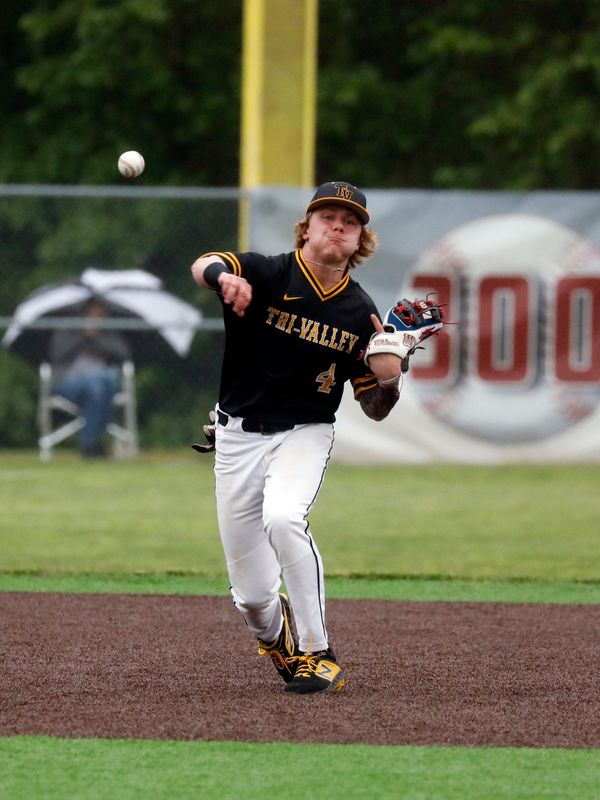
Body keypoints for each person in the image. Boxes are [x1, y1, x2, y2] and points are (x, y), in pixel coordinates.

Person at [191, 181, 409, 694]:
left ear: (360, 241)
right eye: (328, 216)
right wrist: (226, 279)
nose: (338, 226)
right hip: (238, 437)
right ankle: (281, 635)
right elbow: (203, 262)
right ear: (306, 228)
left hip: (305, 433)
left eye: (350, 222)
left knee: (286, 518)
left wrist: (391, 377)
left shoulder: (360, 312)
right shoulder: (268, 273)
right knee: (252, 600)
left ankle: (318, 652)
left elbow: (373, 408)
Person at [49, 298, 131, 458]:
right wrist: (83, 335)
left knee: (103, 383)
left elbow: (123, 354)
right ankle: (91, 443)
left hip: (103, 384)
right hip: (69, 382)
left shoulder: (109, 332)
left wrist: (97, 337)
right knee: (100, 386)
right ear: (85, 312)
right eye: (93, 312)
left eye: (101, 313)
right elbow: (56, 354)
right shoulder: (68, 329)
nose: (97, 316)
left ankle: (90, 443)